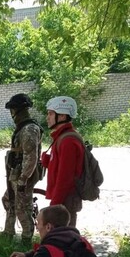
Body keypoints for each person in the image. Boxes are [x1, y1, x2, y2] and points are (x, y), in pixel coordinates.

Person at [2, 93, 43, 244]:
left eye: (12, 110)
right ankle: (8, 232)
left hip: (23, 176)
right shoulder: (24, 128)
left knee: (22, 208)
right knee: (8, 200)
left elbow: (31, 157)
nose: (11, 113)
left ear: (18, 110)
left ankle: (26, 239)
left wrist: (23, 179)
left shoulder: (29, 129)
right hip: (16, 173)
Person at [41, 96, 84, 226]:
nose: (47, 118)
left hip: (65, 201)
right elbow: (61, 166)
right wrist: (48, 161)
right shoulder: (61, 137)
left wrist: (54, 204)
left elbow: (66, 177)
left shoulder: (68, 141)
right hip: (62, 200)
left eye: (50, 114)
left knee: (63, 236)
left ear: (62, 116)